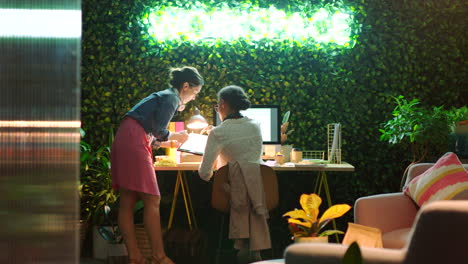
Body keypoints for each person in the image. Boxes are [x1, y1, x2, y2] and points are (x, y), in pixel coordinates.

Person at [111, 66, 204, 264]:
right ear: (185, 86)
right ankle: (159, 256)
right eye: (195, 92)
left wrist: (165, 142)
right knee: (152, 199)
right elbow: (159, 129)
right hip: (134, 140)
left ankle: (135, 256)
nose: (194, 97)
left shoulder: (164, 96)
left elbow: (151, 133)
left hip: (125, 138)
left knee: (127, 201)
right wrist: (176, 136)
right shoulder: (172, 98)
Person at [198, 85, 270, 263]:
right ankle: (253, 250)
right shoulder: (255, 126)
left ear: (222, 104)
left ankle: (235, 248)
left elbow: (205, 174)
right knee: (244, 187)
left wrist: (217, 160)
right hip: (259, 195)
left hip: (231, 198)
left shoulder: (218, 132)